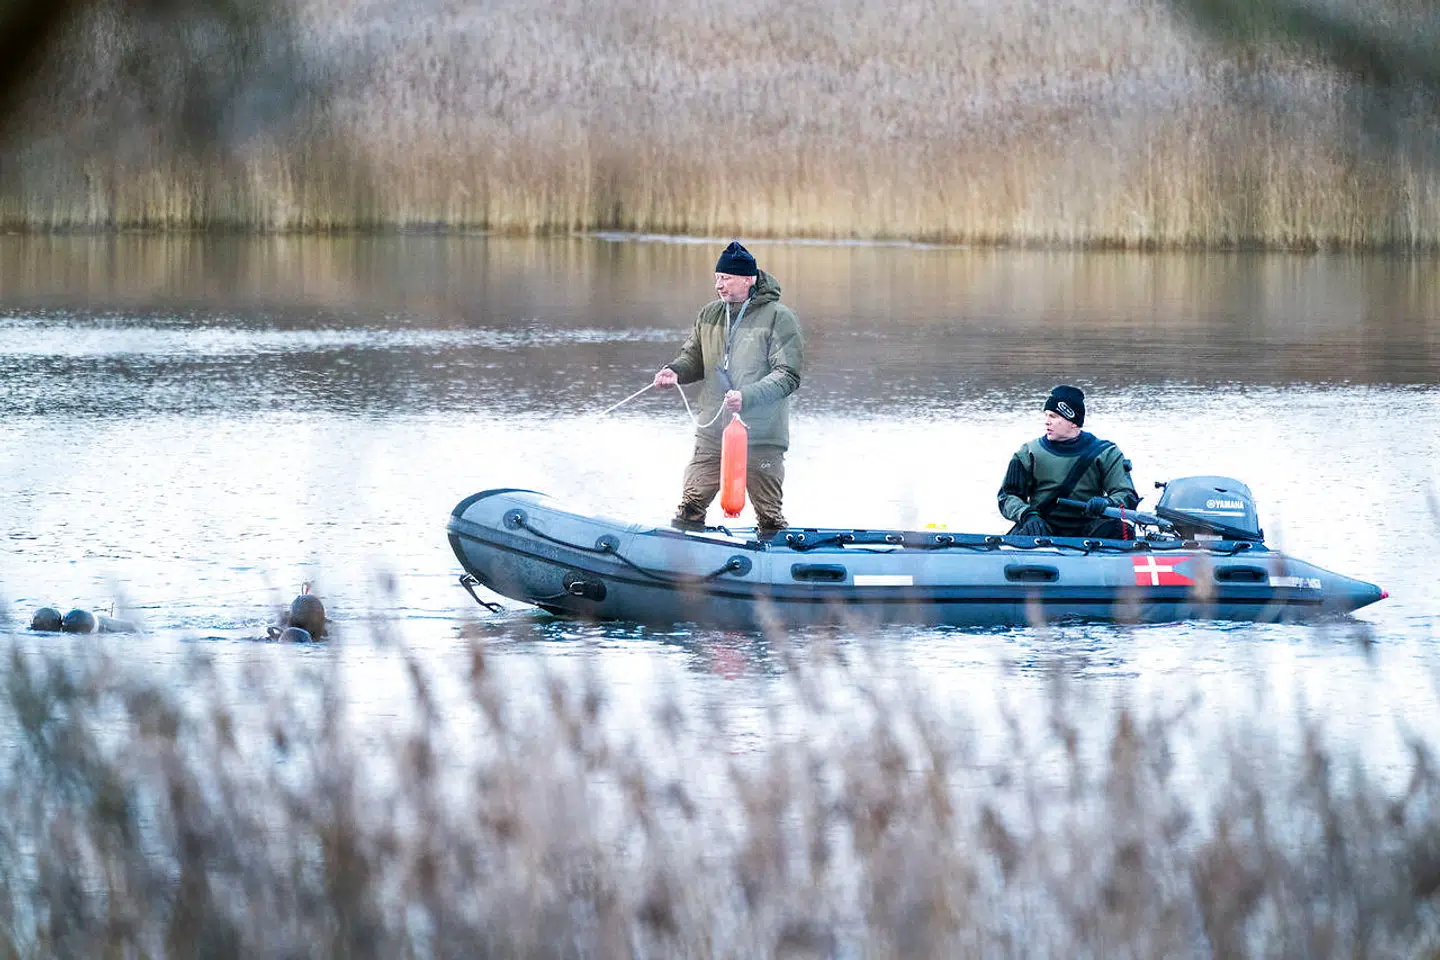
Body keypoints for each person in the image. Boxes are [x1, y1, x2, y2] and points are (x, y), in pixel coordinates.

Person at [653, 241, 804, 537]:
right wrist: (674, 371)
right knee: (690, 504)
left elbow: (788, 375)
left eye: (726, 278)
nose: (718, 285)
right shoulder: (709, 314)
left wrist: (746, 397)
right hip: (712, 432)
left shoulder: (779, 317)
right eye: (717, 278)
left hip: (761, 433)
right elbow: (693, 358)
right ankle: (683, 570)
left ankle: (772, 569)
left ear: (748, 280)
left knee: (769, 514)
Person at [997, 384, 1139, 539]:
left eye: (1054, 416)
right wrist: (1027, 515)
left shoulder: (1106, 453)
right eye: (1046, 415)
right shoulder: (1028, 453)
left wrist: (1107, 502)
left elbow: (1126, 494)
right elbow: (1007, 497)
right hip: (1041, 526)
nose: (1047, 422)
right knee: (1025, 534)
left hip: (1090, 528)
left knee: (1121, 530)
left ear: (1073, 422)